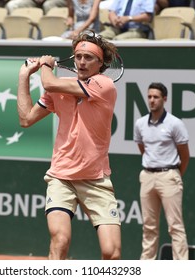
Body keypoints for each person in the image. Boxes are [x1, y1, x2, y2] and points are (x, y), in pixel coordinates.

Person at [17, 30, 121, 260]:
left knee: (111, 253)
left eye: (89, 57)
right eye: (78, 56)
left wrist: (45, 65)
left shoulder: (104, 85)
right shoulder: (61, 86)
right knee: (60, 240)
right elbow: (26, 118)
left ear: (101, 63)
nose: (82, 62)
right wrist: (24, 76)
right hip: (61, 177)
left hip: (96, 179)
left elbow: (49, 82)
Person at [134, 82, 190, 260]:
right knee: (149, 227)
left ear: (164, 99)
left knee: (175, 227)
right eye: (149, 96)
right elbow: (143, 149)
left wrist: (174, 174)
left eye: (156, 97)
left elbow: (185, 155)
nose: (152, 100)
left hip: (169, 176)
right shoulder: (140, 123)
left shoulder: (175, 124)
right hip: (147, 176)